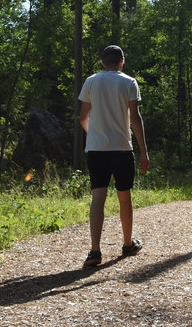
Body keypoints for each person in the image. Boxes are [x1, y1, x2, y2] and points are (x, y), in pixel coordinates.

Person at [78, 45, 150, 267]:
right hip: (121, 149)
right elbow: (135, 118)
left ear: (102, 62)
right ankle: (128, 244)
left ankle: (94, 251)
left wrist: (95, 136)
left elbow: (83, 117)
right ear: (122, 61)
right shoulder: (129, 82)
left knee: (98, 197)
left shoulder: (91, 81)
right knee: (124, 196)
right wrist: (144, 151)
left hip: (97, 149)